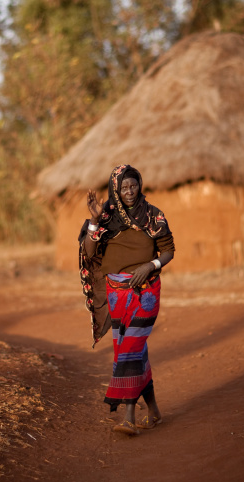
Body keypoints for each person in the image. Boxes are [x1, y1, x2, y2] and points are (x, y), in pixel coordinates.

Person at [78, 164, 175, 435]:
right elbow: (88, 250)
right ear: (116, 189)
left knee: (129, 350)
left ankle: (130, 416)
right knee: (132, 351)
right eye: (124, 187)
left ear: (139, 186)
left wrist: (151, 265)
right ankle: (153, 410)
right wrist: (95, 219)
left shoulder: (153, 215)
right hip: (116, 294)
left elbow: (168, 250)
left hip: (146, 291)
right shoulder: (106, 216)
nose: (130, 192)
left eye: (133, 186)